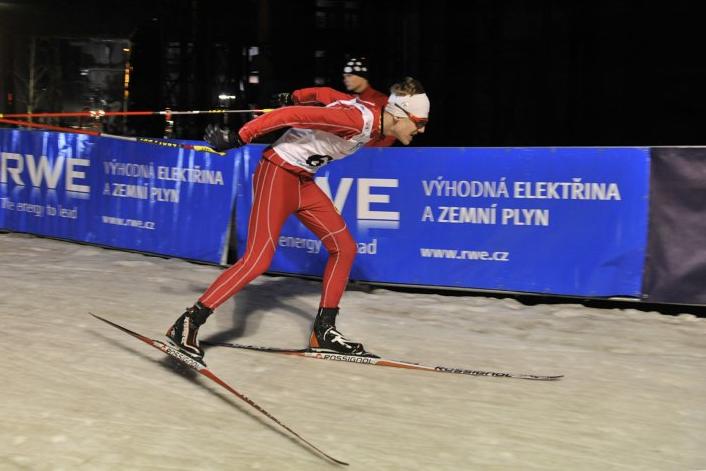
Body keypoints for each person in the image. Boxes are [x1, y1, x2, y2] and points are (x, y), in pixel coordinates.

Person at [166, 77, 430, 362]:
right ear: (399, 114)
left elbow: (326, 94)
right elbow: (292, 116)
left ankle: (324, 332)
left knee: (344, 248)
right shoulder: (356, 121)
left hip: (302, 181)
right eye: (419, 122)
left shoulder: (371, 115)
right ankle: (187, 324)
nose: (422, 128)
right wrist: (240, 137)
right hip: (277, 174)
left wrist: (295, 94)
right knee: (258, 259)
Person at [340, 57, 396, 147]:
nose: (345, 79)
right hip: (346, 154)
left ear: (362, 77)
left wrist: (373, 151)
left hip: (372, 156)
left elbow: (391, 133)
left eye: (349, 75)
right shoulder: (347, 101)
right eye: (344, 76)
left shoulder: (382, 101)